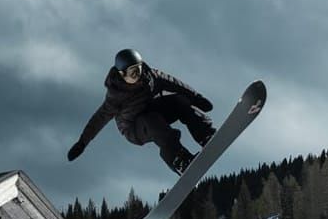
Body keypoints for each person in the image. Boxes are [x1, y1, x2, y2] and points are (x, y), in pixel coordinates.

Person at [67, 49, 216, 175]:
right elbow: (98, 120)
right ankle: (179, 160)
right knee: (152, 121)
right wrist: (82, 143)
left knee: (179, 101)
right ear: (122, 74)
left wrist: (196, 98)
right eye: (132, 72)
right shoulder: (115, 95)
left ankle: (205, 134)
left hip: (154, 111)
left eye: (138, 69)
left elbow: (173, 83)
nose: (137, 75)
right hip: (134, 128)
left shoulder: (149, 76)